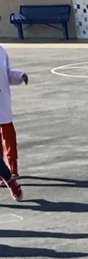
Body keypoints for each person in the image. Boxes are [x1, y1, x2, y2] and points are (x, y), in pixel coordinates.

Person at [0, 42, 28, 184]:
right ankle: (2, 174)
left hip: (3, 106)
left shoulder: (2, 52)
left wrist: (19, 76)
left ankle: (12, 170)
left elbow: (7, 74)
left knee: (9, 140)